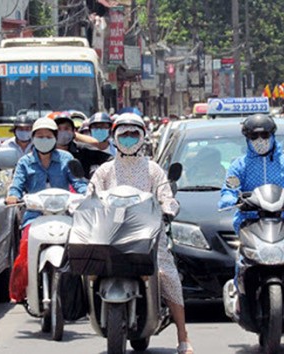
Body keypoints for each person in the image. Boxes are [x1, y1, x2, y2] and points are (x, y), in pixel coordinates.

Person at [218, 114, 284, 351]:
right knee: (241, 263)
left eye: (264, 135)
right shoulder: (239, 165)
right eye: (254, 136)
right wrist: (234, 199)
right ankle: (240, 301)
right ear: (247, 138)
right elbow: (228, 191)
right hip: (251, 223)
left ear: (272, 136)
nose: (260, 140)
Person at [88, 113, 194, 354]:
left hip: (149, 234)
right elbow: (90, 195)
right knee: (87, 269)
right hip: (110, 234)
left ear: (143, 137)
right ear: (114, 138)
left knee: (167, 273)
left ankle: (183, 336)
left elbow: (166, 196)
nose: (128, 139)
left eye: (133, 134)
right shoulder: (105, 171)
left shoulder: (153, 170)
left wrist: (168, 209)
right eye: (123, 134)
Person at [5, 117, 87, 302]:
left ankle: (80, 295)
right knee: (25, 247)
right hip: (35, 216)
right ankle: (20, 292)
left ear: (55, 138)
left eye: (48, 136)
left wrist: (86, 194)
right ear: (33, 139)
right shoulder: (25, 162)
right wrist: (13, 196)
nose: (44, 139)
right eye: (40, 136)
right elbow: (16, 185)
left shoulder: (67, 159)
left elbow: (78, 183)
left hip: (64, 214)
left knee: (80, 247)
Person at [54, 112, 112, 179]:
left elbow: (109, 159)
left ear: (73, 131)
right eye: (58, 129)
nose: (62, 132)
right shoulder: (45, 152)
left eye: (66, 129)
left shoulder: (83, 151)